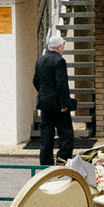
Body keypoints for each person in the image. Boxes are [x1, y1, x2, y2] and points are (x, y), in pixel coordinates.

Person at [33, 34, 76, 165]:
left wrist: (43, 94)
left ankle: (45, 161)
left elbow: (35, 81)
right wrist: (64, 103)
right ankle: (63, 159)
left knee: (46, 133)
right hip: (58, 104)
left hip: (44, 104)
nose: (63, 48)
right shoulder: (59, 61)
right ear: (58, 47)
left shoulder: (40, 60)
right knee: (66, 133)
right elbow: (62, 84)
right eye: (63, 45)